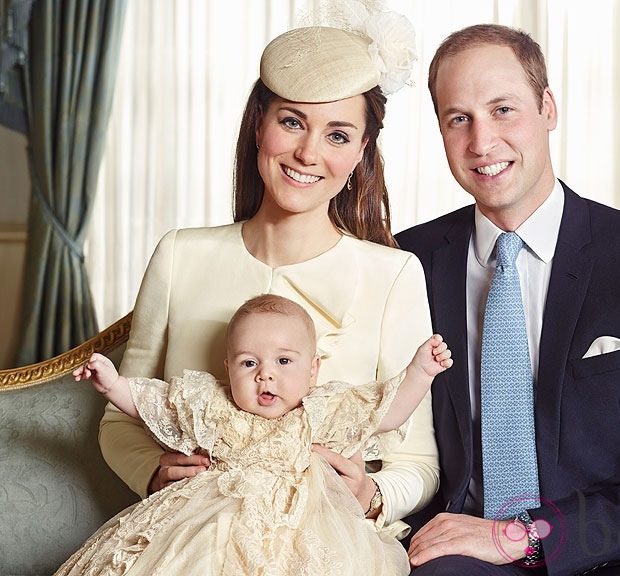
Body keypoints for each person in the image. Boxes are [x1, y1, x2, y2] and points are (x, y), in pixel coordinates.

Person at [396, 23, 620, 576]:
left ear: (548, 108)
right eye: (457, 118)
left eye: (503, 110)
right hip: (468, 551)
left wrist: (525, 535)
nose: (481, 142)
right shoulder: (407, 263)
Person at [99, 5, 436, 543]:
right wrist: (153, 472)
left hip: (325, 544)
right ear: (260, 123)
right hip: (195, 539)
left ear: (361, 153)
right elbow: (121, 422)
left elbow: (418, 459)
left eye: (338, 135)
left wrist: (374, 495)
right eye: (292, 122)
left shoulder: (394, 275)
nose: (308, 152)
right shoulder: (180, 255)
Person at [60, 295, 452, 575]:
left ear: (313, 370)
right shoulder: (212, 404)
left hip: (304, 527)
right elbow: (150, 401)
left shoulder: (322, 409)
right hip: (213, 520)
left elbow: (387, 411)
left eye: (284, 361)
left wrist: (420, 372)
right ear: (227, 368)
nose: (265, 374)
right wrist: (111, 383)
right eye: (249, 362)